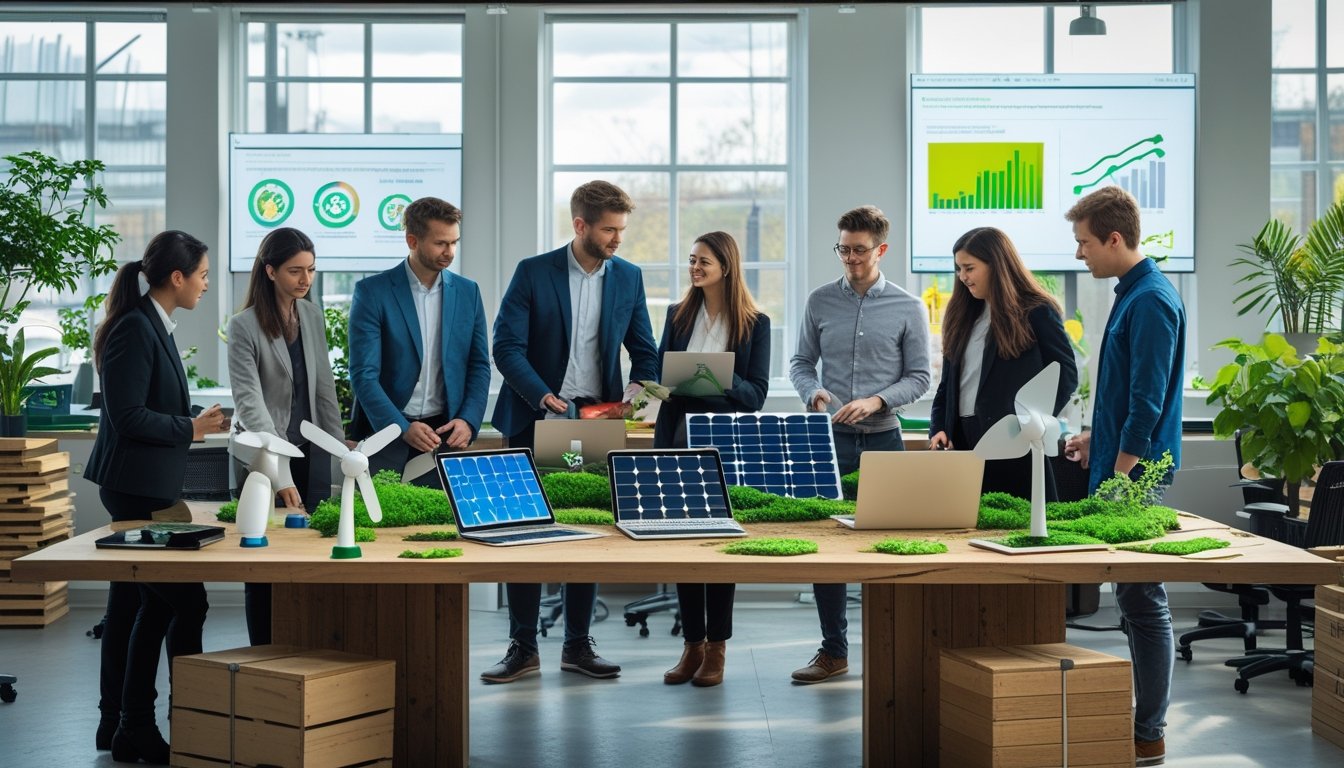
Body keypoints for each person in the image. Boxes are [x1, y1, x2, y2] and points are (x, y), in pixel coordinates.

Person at [487, 179, 659, 684]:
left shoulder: (627, 277)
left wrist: (637, 391)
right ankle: (522, 646)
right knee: (521, 531)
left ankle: (578, 646)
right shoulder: (533, 272)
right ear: (580, 225)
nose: (617, 240)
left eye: (622, 230)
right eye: (609, 230)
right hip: (533, 415)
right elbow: (506, 348)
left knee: (587, 528)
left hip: (595, 422)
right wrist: (543, 396)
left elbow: (644, 349)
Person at [84, 230, 230, 764]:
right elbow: (126, 417)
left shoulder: (154, 324)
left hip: (148, 487)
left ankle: (120, 726)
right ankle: (151, 723)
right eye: (204, 276)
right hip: (133, 490)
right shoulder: (134, 329)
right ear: (177, 277)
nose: (206, 286)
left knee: (132, 604)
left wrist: (192, 427)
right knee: (182, 602)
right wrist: (192, 429)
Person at [1062, 186, 1185, 767]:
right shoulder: (1129, 294)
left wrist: (1119, 471)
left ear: (1114, 239)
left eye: (1084, 242)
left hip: (1133, 474)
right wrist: (1095, 438)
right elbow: (1121, 395)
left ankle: (1150, 732)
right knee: (1133, 599)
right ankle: (1142, 725)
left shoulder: (1153, 300)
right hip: (1119, 462)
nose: (1080, 253)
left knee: (1142, 598)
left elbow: (1148, 401)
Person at [788, 205, 931, 684]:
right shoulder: (819, 301)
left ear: (881, 249)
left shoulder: (909, 307)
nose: (849, 258)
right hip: (830, 443)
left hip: (884, 443)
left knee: (886, 549)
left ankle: (895, 655)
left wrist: (876, 401)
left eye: (859, 250)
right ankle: (834, 651)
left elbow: (920, 378)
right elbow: (801, 362)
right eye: (843, 249)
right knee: (827, 549)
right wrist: (814, 393)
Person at [654, 231, 771, 689]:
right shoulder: (677, 315)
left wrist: (716, 380)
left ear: (726, 265)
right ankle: (692, 646)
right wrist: (660, 385)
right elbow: (663, 373)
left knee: (719, 549)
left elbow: (755, 395)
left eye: (703, 261)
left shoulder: (755, 323)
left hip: (722, 443)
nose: (695, 268)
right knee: (682, 545)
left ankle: (717, 647)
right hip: (675, 438)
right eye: (691, 260)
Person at [227, 227, 344, 645]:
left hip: (310, 451)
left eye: (311, 270)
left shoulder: (310, 314)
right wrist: (281, 475)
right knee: (265, 564)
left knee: (310, 552)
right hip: (265, 459)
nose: (305, 279)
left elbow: (323, 388)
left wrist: (338, 444)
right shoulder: (243, 326)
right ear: (270, 270)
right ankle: (264, 650)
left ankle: (305, 647)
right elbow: (250, 405)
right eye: (296, 271)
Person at [927, 226, 1078, 500]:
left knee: (1017, 527)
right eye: (958, 269)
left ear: (996, 264)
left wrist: (1034, 423)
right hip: (962, 442)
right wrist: (939, 427)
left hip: (1013, 441)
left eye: (969, 268)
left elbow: (1066, 373)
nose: (962, 277)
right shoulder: (961, 315)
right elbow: (947, 386)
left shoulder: (1036, 311)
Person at [348, 197, 491, 483]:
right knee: (381, 521)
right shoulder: (372, 293)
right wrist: (400, 427)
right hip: (385, 433)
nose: (449, 252)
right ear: (412, 241)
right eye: (440, 243)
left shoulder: (468, 292)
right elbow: (364, 374)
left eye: (454, 242)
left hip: (445, 434)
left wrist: (468, 419)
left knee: (441, 523)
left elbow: (479, 365)